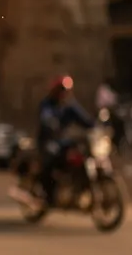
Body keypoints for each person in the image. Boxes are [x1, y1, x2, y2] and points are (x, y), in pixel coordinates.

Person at [13, 75, 94, 208]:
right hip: (48, 141)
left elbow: (85, 119)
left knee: (81, 154)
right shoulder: (47, 104)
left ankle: (80, 186)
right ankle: (48, 194)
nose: (64, 93)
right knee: (50, 160)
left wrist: (97, 126)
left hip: (63, 141)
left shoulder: (70, 106)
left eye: (66, 90)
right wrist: (51, 123)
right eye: (62, 90)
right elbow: (45, 117)